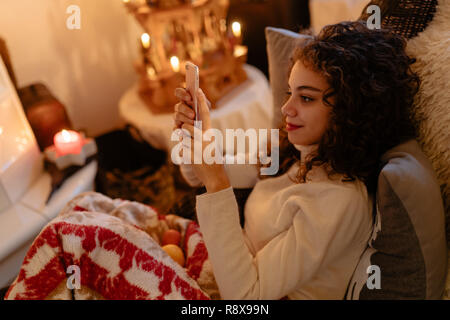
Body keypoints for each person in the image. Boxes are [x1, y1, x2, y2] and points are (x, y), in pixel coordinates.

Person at [173, 21, 419, 299]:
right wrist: (195, 135)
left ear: (351, 110)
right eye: (291, 93)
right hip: (223, 266)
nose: (286, 108)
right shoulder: (297, 152)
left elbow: (246, 299)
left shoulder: (338, 200)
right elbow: (196, 175)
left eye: (306, 98)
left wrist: (216, 182)